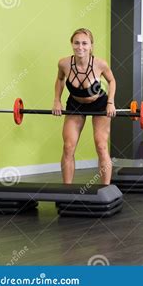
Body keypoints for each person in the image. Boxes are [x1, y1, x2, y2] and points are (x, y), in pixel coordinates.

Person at [52, 28, 116, 184]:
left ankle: (105, 188)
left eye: (84, 43)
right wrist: (57, 100)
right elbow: (60, 80)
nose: (80, 47)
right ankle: (67, 190)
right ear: (72, 44)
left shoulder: (100, 64)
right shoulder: (64, 63)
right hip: (75, 104)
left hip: (99, 104)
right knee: (68, 147)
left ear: (91, 46)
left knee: (101, 146)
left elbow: (112, 81)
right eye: (77, 43)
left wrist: (110, 103)